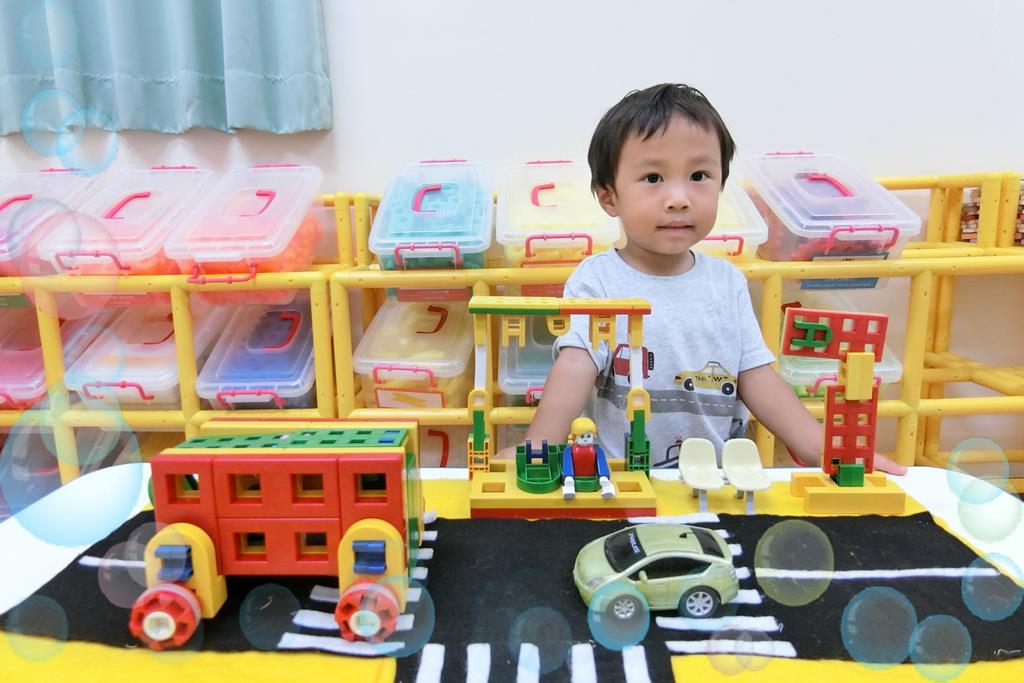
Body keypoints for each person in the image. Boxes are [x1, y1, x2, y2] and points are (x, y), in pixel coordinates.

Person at [498, 83, 906, 475]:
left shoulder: (726, 282)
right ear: (609, 197)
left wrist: (823, 448)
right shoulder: (597, 280)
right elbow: (575, 365)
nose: (679, 199)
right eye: (653, 178)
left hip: (716, 477)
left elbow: (756, 375)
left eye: (698, 176)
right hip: (624, 478)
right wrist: (539, 447)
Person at [562, 417, 615, 499]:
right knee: (568, 478)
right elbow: (567, 463)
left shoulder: (596, 450)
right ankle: (569, 486)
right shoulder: (569, 450)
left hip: (592, 474)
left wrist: (603, 475)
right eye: (582, 436)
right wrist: (568, 475)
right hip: (574, 475)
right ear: (575, 436)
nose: (585, 439)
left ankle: (606, 485)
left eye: (588, 436)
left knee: (603, 477)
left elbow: (601, 462)